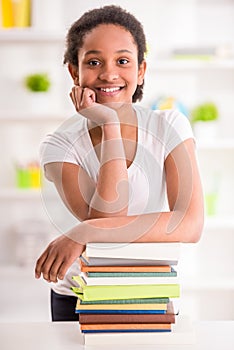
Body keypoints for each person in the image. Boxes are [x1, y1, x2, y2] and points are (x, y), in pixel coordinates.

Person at [35, 5, 204, 322]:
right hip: (79, 295)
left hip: (149, 289)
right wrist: (109, 126)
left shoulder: (170, 126)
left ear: (141, 70)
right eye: (94, 62)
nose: (109, 73)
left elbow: (190, 224)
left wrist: (81, 233)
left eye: (123, 61)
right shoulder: (58, 144)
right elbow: (107, 224)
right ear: (75, 72)